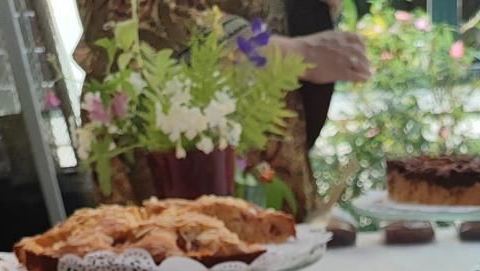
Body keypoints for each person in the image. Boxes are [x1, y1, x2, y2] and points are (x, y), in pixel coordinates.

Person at [74, 0, 370, 216]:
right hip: (169, 143)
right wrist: (287, 52)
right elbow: (116, 17)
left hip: (272, 141)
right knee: (184, 267)